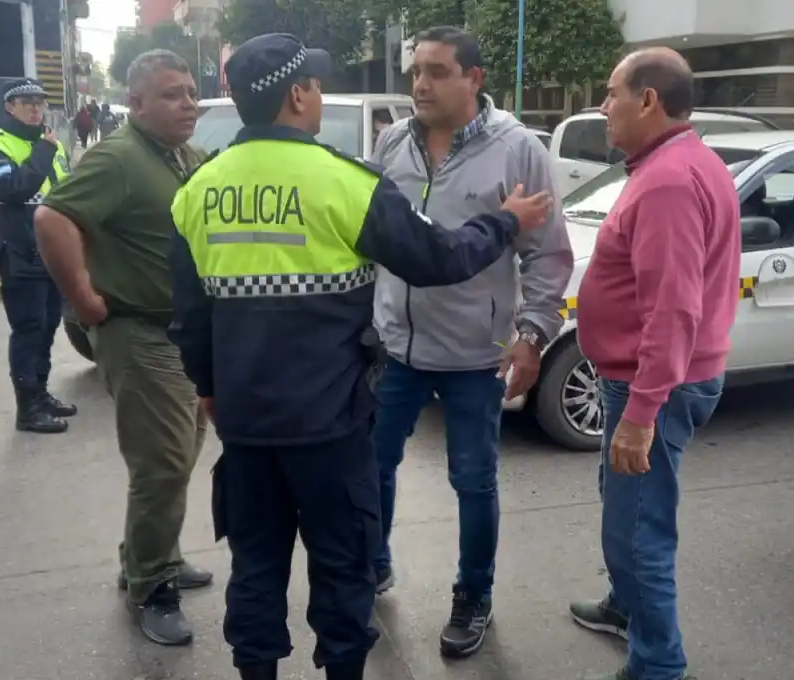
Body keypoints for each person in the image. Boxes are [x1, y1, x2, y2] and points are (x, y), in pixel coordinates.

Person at [166, 32, 553, 680]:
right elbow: (439, 260)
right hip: (331, 425)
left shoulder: (196, 191)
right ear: (297, 94)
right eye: (315, 84)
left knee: (256, 569)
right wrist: (506, 221)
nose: (318, 94)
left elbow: (192, 318)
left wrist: (210, 388)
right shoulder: (345, 183)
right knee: (344, 569)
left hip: (248, 425)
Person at [369, 25, 572, 659]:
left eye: (435, 71)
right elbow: (369, 235)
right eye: (415, 73)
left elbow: (547, 253)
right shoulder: (391, 142)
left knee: (474, 480)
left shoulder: (518, 150)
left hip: (474, 352)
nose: (420, 85)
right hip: (394, 346)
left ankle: (473, 594)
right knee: (370, 466)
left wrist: (533, 336)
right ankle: (371, 565)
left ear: (474, 79)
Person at [567, 48, 741, 680]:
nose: (603, 106)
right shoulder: (681, 162)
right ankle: (627, 608)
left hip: (654, 387)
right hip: (650, 382)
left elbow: (673, 309)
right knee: (626, 508)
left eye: (611, 93)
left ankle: (659, 664)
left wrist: (641, 412)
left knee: (638, 533)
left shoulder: (668, 180)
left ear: (647, 100)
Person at [33, 50, 213, 646]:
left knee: (181, 451)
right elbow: (53, 218)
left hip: (179, 331)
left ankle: (151, 553)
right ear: (135, 104)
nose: (186, 103)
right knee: (160, 461)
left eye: (190, 92)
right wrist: (83, 299)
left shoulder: (178, 154)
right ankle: (149, 586)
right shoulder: (119, 157)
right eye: (170, 94)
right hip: (137, 331)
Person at [0, 78, 76, 433]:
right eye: (25, 102)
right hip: (19, 251)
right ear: (9, 107)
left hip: (52, 251)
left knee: (48, 326)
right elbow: (14, 188)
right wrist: (44, 152)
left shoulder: (51, 143)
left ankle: (42, 393)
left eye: (39, 101)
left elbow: (67, 192)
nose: (35, 108)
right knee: (28, 329)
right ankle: (27, 408)